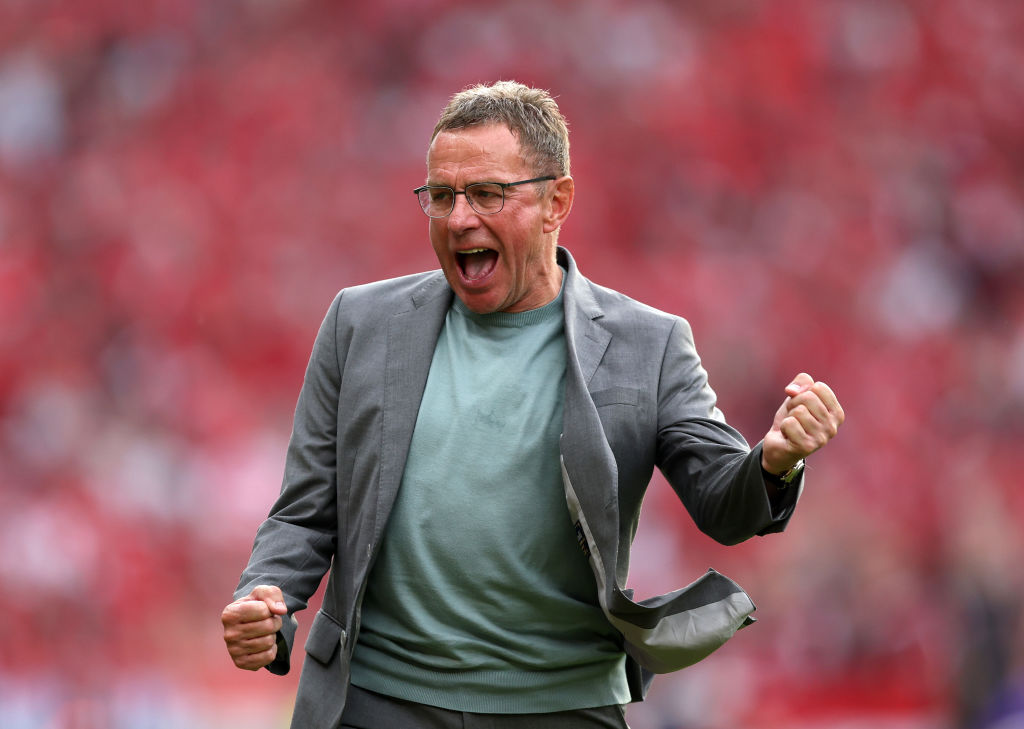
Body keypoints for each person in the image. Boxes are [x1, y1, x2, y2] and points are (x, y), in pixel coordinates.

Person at [221, 81, 844, 729]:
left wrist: (775, 461)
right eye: (441, 196)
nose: (460, 218)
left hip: (562, 704)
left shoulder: (648, 344)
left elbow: (723, 502)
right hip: (380, 701)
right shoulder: (360, 324)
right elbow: (303, 511)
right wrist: (265, 596)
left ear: (557, 201)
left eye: (488, 193)